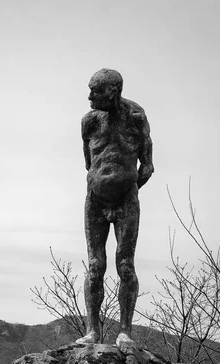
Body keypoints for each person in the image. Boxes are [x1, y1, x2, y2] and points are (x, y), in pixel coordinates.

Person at [76, 68, 154, 348]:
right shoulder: (89, 122)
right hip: (95, 200)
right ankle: (92, 331)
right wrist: (103, 186)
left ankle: (124, 331)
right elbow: (90, 163)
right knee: (95, 265)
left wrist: (126, 187)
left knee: (125, 265)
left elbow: (147, 165)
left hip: (126, 200)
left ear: (113, 91)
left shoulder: (135, 117)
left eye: (95, 91)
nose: (89, 96)